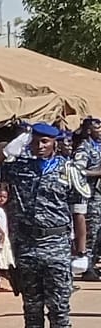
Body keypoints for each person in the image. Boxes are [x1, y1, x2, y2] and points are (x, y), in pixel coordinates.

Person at [0, 123, 88, 328]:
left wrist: (81, 252)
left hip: (57, 245)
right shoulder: (19, 168)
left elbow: (79, 210)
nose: (39, 146)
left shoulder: (68, 169)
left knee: (59, 309)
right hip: (27, 247)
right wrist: (5, 153)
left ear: (55, 143)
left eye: (45, 142)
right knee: (32, 309)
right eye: (36, 141)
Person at [73, 117, 101, 280]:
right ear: (89, 131)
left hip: (99, 194)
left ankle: (93, 263)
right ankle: (87, 266)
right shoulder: (85, 148)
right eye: (98, 128)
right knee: (92, 230)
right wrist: (97, 172)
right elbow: (78, 171)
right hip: (90, 196)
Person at [0, 187, 14, 286]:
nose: (2, 199)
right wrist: (2, 232)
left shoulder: (3, 209)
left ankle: (0, 273)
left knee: (1, 255)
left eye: (4, 197)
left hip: (3, 235)